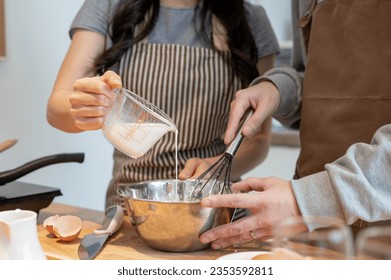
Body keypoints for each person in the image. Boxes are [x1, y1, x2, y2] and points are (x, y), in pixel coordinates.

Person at [46, 0, 280, 209]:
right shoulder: (109, 6)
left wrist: (215, 167)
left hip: (214, 205)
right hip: (131, 206)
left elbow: (259, 140)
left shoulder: (250, 21)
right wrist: (88, 105)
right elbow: (56, 109)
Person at [199, 0, 391, 250]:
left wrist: (307, 200)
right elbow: (316, 76)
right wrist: (277, 89)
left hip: (374, 229)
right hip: (315, 228)